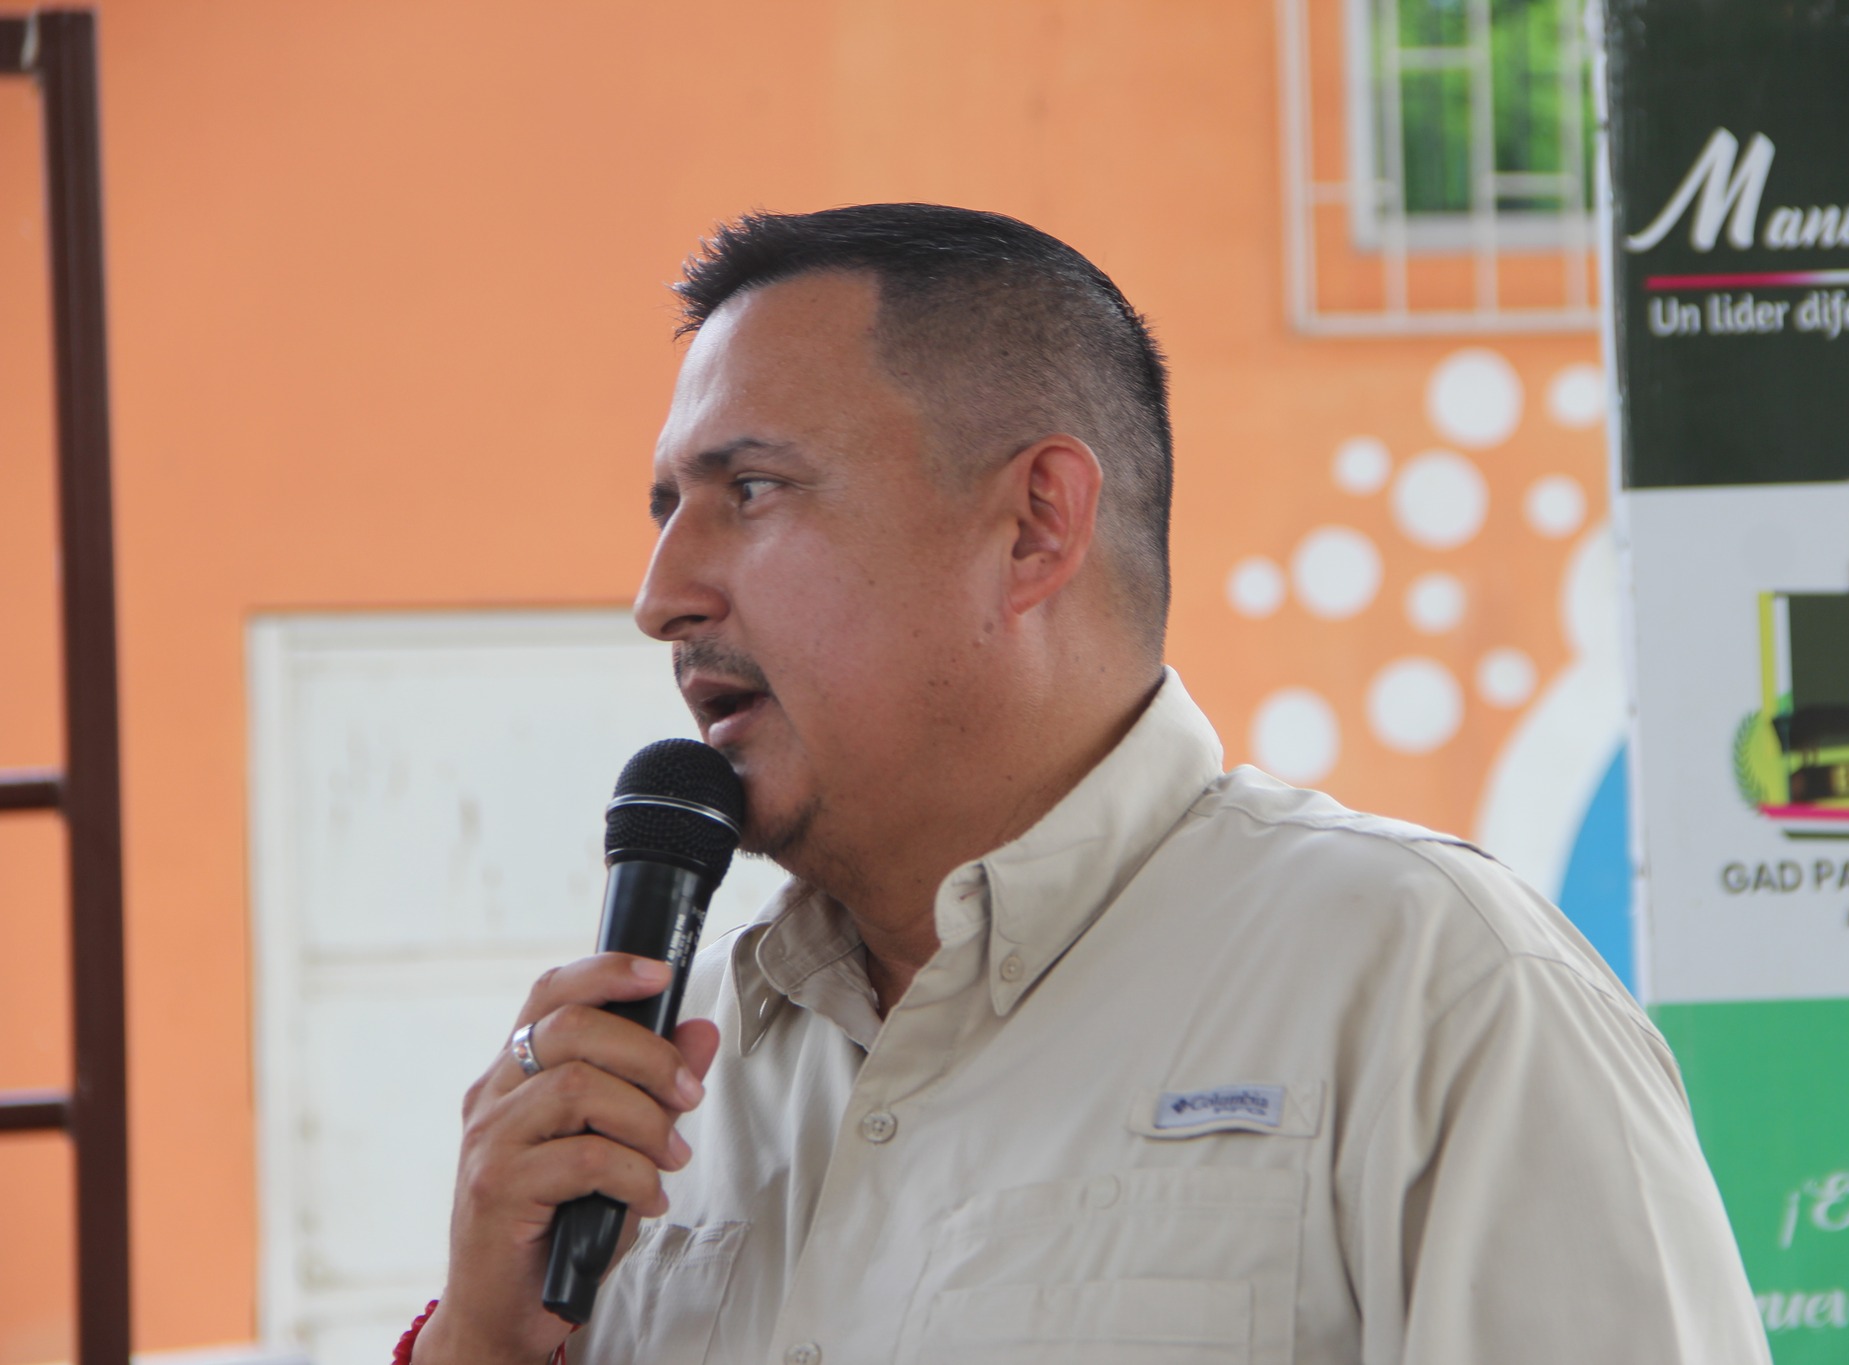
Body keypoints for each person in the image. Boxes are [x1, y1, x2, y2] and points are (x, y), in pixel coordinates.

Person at [406, 204, 1769, 1365]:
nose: (661, 596)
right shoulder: (663, 1080)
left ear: (1034, 524)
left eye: (750, 490)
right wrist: (482, 1337)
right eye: (666, 510)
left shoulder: (1430, 984)